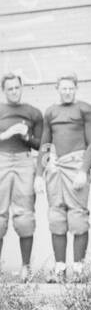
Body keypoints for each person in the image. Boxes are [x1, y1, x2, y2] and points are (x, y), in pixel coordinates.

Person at [39, 73, 91, 282]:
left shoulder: (86, 109)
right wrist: (40, 172)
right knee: (56, 218)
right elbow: (45, 144)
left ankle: (79, 270)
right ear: (57, 89)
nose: (67, 92)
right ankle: (60, 269)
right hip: (55, 167)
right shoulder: (51, 112)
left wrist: (83, 170)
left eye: (70, 88)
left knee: (78, 218)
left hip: (76, 164)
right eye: (63, 88)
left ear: (76, 88)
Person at [0, 73, 44, 280]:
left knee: (24, 215)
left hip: (25, 162)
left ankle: (26, 267)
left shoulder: (32, 112)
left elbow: (42, 144)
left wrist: (26, 136)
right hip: (1, 160)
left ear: (21, 87)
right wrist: (8, 134)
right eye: (10, 89)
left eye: (17, 88)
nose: (14, 92)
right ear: (4, 90)